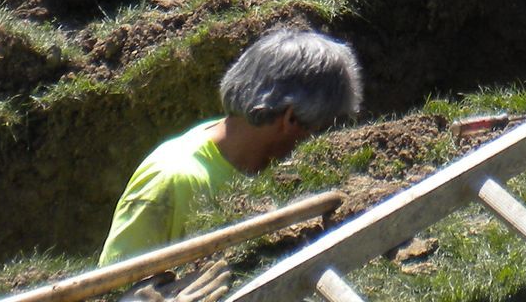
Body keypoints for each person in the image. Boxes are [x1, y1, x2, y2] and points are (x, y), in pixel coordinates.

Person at [99, 27, 363, 267]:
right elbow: (112, 289)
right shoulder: (170, 181)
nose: (318, 142)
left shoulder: (269, 166)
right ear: (290, 118)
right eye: (320, 127)